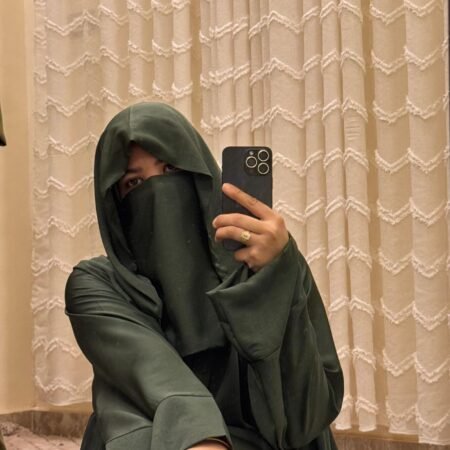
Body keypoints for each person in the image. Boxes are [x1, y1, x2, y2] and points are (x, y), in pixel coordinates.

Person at [65, 102, 343, 450]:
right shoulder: (99, 284)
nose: (159, 192)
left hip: (264, 441)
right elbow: (155, 376)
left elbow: (307, 417)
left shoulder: (268, 260)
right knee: (126, 397)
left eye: (170, 168)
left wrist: (274, 277)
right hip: (157, 437)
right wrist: (202, 438)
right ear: (114, 206)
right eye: (134, 182)